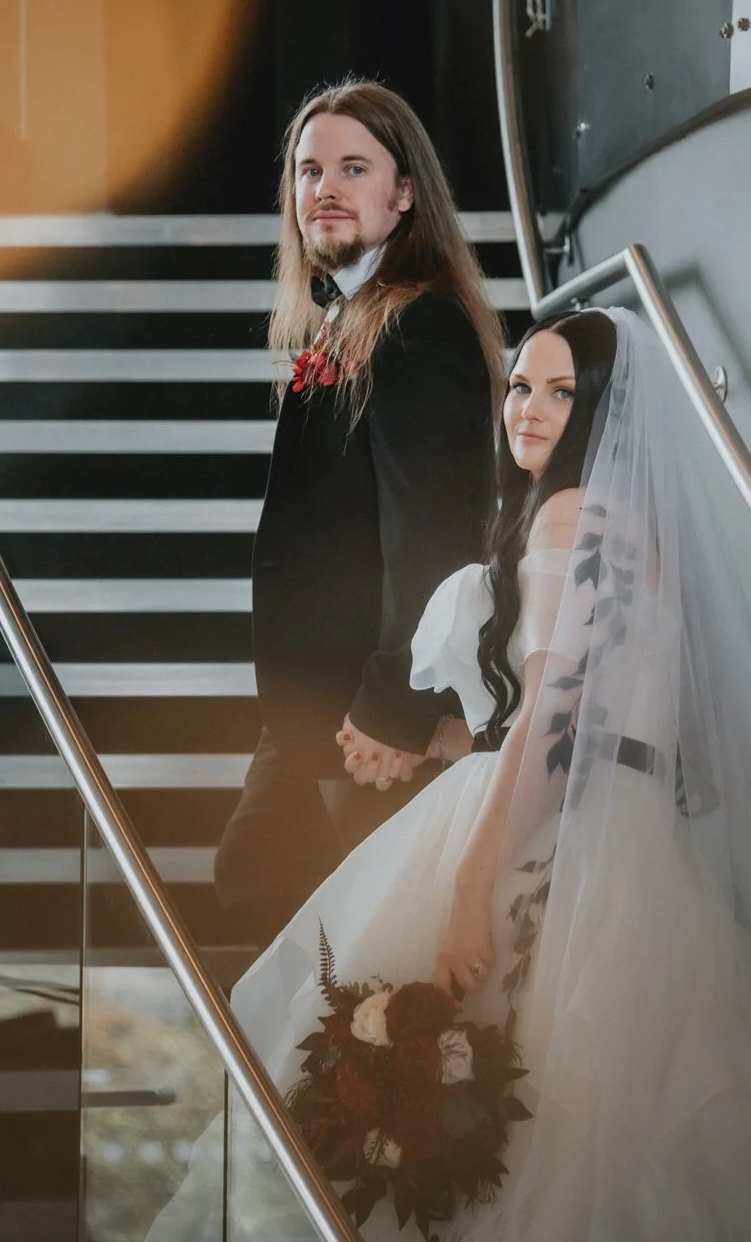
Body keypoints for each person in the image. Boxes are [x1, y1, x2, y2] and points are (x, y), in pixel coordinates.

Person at [155, 309, 751, 1241]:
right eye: (521, 385)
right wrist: (440, 746)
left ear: (602, 411)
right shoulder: (640, 534)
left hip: (552, 843)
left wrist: (469, 885)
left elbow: (552, 716)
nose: (527, 408)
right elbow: (607, 726)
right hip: (634, 842)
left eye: (562, 392)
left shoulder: (569, 517)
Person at [216, 80, 506, 950]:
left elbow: (434, 536)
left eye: (353, 168)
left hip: (365, 709)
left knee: (373, 959)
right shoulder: (344, 321)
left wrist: (394, 706)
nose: (325, 189)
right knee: (261, 890)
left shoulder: (419, 328)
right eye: (309, 171)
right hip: (312, 703)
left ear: (404, 192)